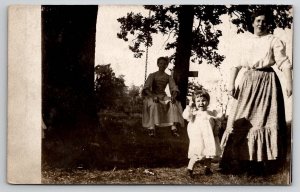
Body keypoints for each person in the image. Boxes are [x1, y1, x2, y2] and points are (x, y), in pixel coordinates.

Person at [220, 9, 293, 175]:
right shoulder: (244, 41)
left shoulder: (274, 40)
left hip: (267, 83)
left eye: (264, 21)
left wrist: (290, 82)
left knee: (264, 121)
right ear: (252, 22)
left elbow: (284, 63)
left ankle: (262, 165)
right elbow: (236, 64)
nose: (261, 23)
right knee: (240, 118)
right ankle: (235, 162)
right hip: (248, 82)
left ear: (268, 23)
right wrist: (231, 83)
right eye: (258, 20)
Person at [142, 56, 184, 137]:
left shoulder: (168, 77)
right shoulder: (152, 75)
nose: (162, 65)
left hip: (163, 95)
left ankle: (173, 128)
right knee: (154, 104)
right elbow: (146, 88)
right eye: (161, 63)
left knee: (173, 104)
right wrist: (153, 96)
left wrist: (173, 96)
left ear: (166, 65)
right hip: (152, 95)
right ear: (158, 64)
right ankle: (151, 128)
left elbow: (174, 87)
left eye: (164, 64)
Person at [183, 91, 221, 178]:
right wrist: (189, 105)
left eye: (203, 100)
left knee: (209, 154)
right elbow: (186, 116)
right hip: (198, 138)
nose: (201, 103)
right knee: (197, 154)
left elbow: (217, 122)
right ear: (195, 103)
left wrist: (216, 130)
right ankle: (190, 169)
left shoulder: (211, 113)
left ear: (208, 102)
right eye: (198, 101)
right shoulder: (194, 113)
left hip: (209, 137)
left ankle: (207, 169)